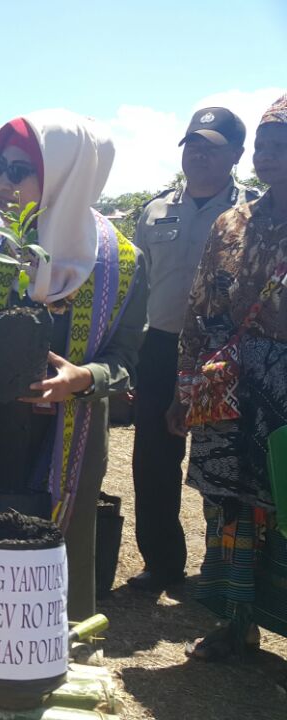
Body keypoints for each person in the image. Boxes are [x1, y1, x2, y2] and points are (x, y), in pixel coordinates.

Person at [0, 110, 147, 619]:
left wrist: (84, 378)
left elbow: (126, 358)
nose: (1, 181)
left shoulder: (122, 262)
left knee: (57, 555)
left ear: (66, 175)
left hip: (72, 431)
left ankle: (49, 659)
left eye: (18, 170)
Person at [172, 94, 287, 661]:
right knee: (226, 506)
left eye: (280, 144)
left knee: (284, 510)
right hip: (227, 388)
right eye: (263, 145)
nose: (268, 154)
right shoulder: (231, 221)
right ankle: (235, 620)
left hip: (285, 395)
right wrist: (184, 386)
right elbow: (197, 309)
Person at [129, 107, 258, 593]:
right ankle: (162, 562)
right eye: (192, 145)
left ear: (237, 155)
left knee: (218, 464)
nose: (199, 154)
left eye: (212, 146)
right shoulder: (156, 210)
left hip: (223, 354)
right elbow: (136, 288)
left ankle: (219, 570)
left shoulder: (253, 212)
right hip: (160, 347)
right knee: (153, 461)